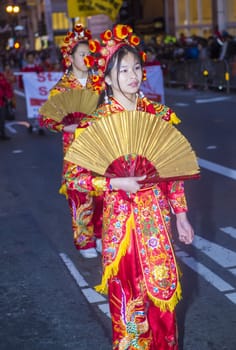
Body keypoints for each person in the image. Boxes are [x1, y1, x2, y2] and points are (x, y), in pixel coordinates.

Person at [65, 24, 195, 349]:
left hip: (155, 221)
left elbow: (172, 171)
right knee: (127, 301)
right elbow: (75, 178)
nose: (133, 75)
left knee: (163, 300)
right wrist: (112, 182)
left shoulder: (158, 115)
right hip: (120, 225)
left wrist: (181, 215)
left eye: (136, 67)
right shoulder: (96, 124)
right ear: (107, 78)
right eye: (123, 69)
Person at [41, 24, 102, 258]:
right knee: (80, 192)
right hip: (75, 147)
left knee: (102, 192)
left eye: (89, 54)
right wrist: (67, 126)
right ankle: (84, 240)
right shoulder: (62, 88)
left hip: (101, 145)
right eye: (81, 55)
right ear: (70, 57)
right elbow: (47, 118)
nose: (87, 58)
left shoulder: (101, 84)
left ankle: (99, 233)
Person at [0, 71, 13, 140]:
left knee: (2, 119)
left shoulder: (1, 76)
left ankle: (2, 134)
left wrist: (8, 97)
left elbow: (7, 87)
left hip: (1, 101)